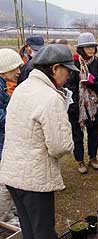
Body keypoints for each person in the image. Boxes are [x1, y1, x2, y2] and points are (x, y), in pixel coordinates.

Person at [0, 44, 76, 239]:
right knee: (43, 232)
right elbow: (60, 146)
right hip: (34, 178)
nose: (68, 76)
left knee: (28, 228)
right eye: (67, 71)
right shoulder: (50, 98)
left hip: (12, 174)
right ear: (55, 68)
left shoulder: (22, 88)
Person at [65, 32, 98, 174]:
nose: (91, 49)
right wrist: (74, 107)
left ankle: (93, 157)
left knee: (94, 133)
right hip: (77, 106)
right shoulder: (73, 63)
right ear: (81, 48)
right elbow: (69, 86)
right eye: (88, 47)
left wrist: (91, 83)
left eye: (93, 46)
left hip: (94, 105)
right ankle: (80, 160)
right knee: (77, 135)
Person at [0, 48, 23, 226]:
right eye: (15, 68)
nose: (18, 72)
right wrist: (18, 116)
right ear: (3, 68)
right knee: (4, 182)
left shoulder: (2, 85)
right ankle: (3, 217)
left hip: (4, 139)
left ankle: (10, 211)